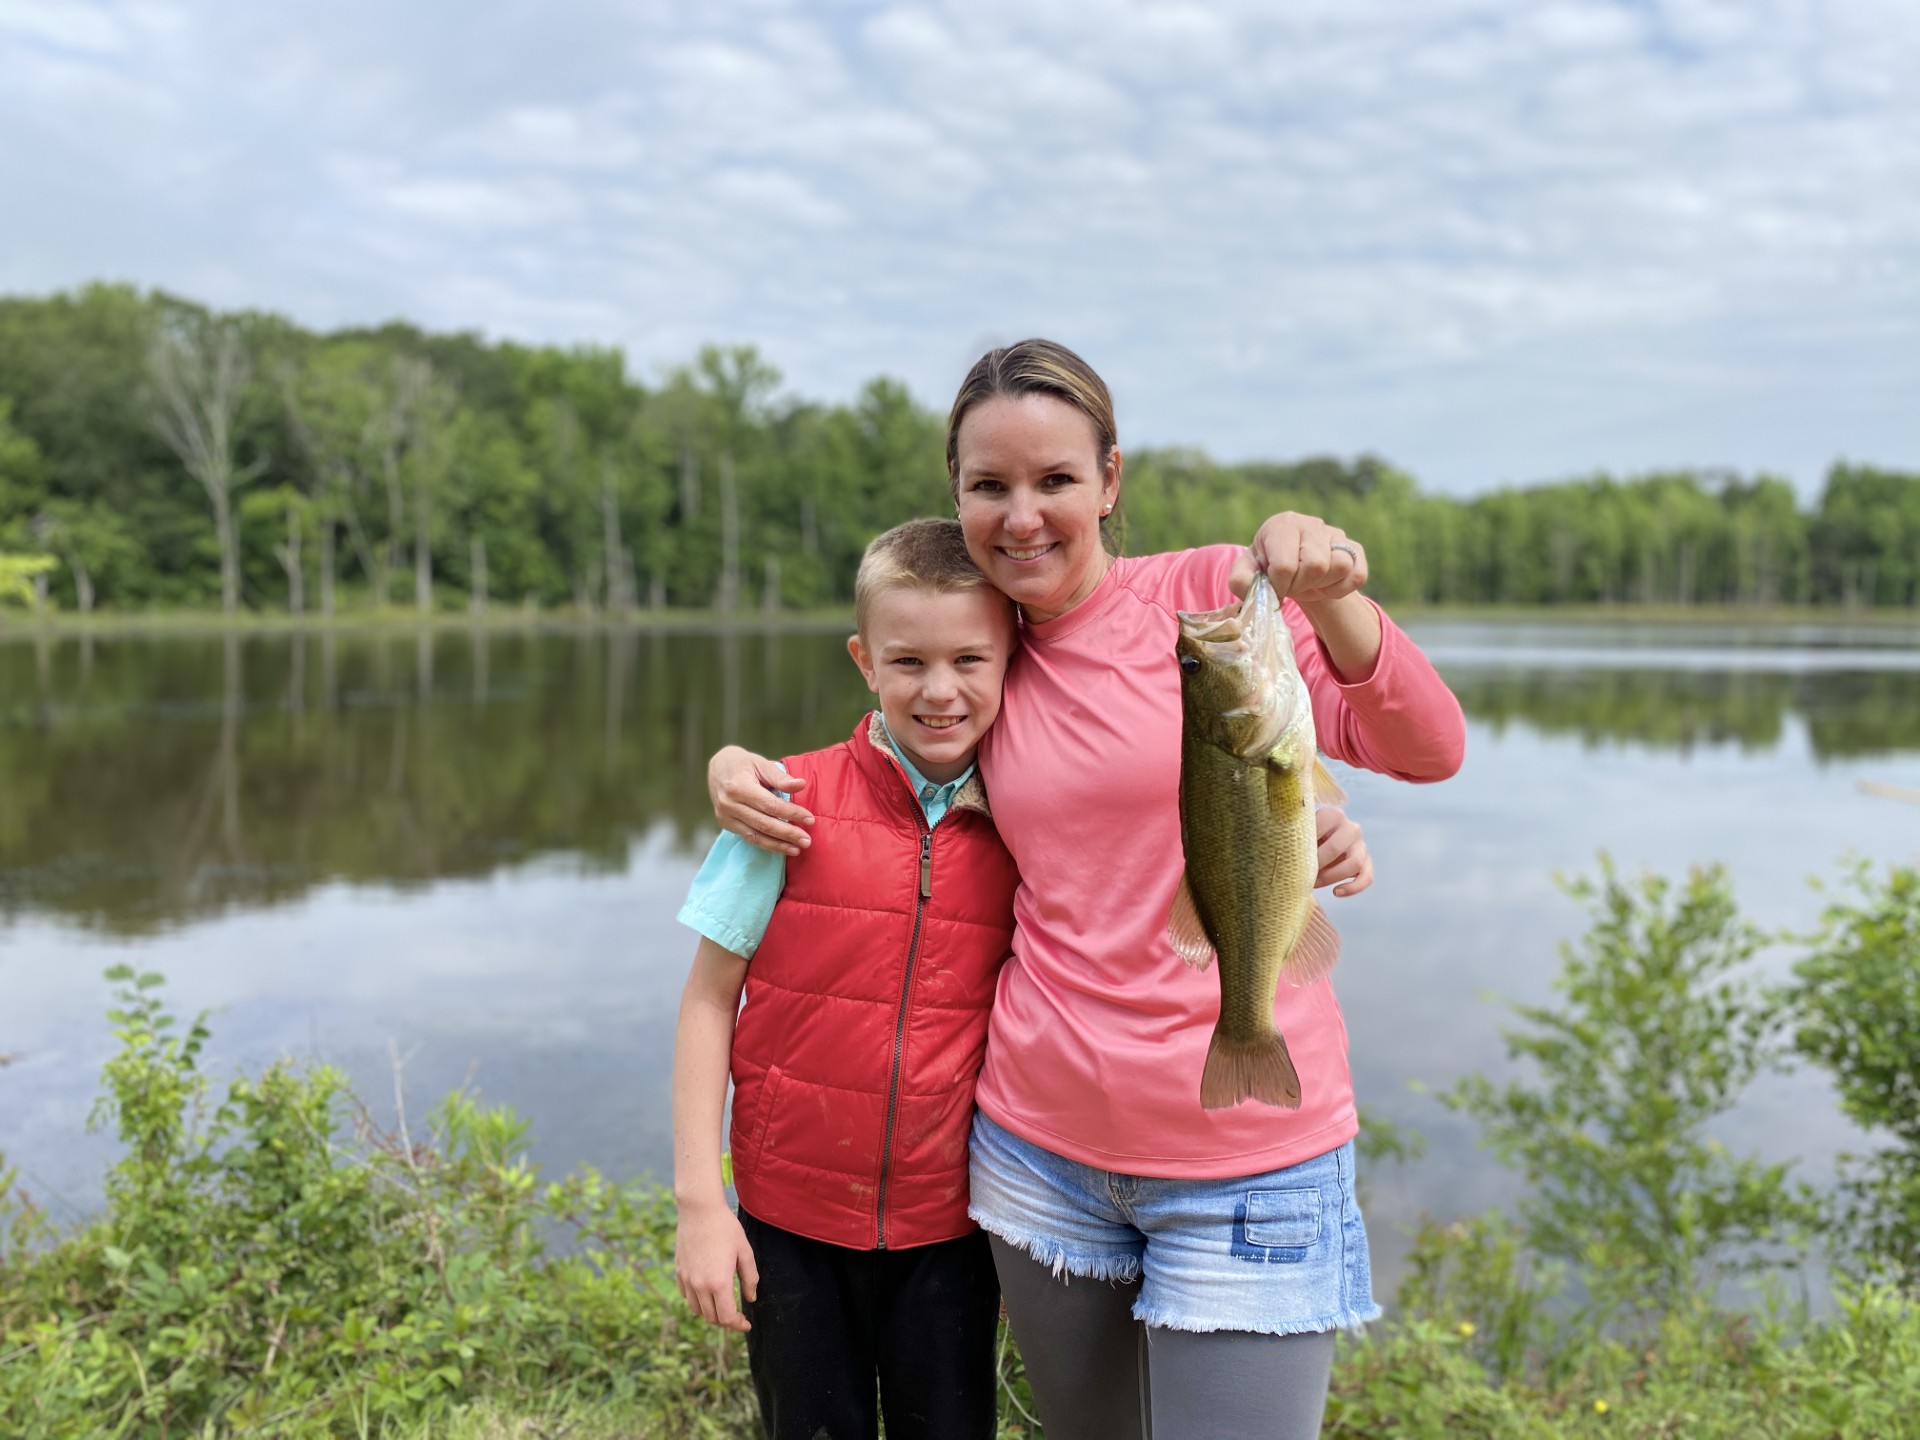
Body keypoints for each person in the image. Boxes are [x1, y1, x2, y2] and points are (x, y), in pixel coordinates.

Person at [708, 341, 1465, 1440]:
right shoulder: (990, 643)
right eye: (990, 486)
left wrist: (1339, 598)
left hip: (1247, 1161)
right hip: (1039, 1159)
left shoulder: (1216, 597)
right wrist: (734, 768)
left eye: (1056, 480)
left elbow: (1426, 747)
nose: (1023, 516)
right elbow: (889, 754)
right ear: (957, 496)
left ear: (1111, 482)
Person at [671, 519, 1019, 1440]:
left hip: (953, 1228)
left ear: (1011, 654)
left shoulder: (1034, 821)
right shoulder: (784, 804)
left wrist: (1310, 821)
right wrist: (701, 1202)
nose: (939, 690)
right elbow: (708, 1000)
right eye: (908, 661)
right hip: (789, 1224)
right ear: (865, 660)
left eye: (969, 660)